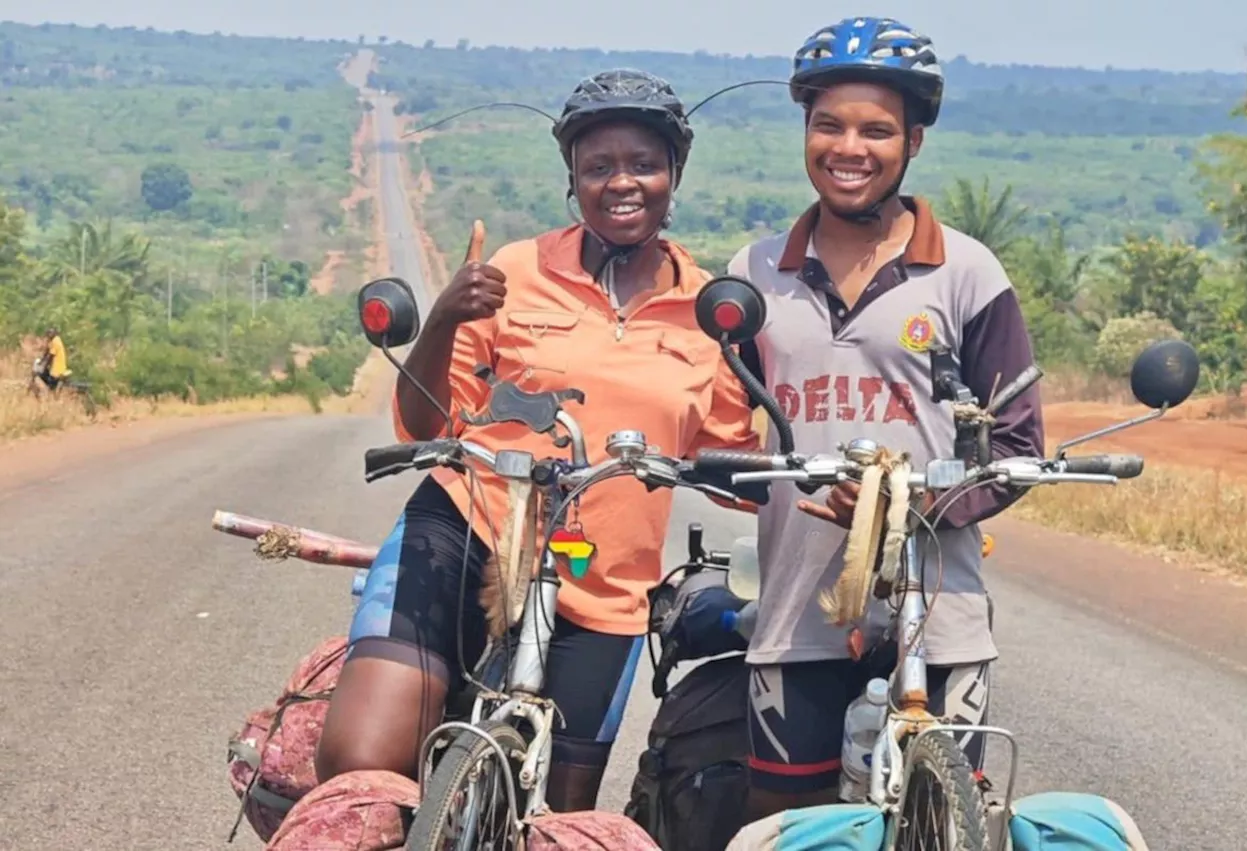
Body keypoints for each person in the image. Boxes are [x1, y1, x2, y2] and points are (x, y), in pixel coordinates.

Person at [315, 68, 761, 813]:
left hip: (605, 580)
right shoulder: (516, 271)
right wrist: (446, 318)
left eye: (643, 164)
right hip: (469, 529)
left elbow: (723, 463)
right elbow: (422, 425)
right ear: (573, 179)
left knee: (556, 815)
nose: (622, 182)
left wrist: (828, 488)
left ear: (673, 172)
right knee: (359, 762)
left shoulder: (707, 308)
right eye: (598, 167)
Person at [726, 16, 1046, 821]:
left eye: (876, 129)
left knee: (941, 820)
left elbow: (1016, 441)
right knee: (785, 825)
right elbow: (726, 426)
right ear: (805, 130)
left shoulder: (968, 271)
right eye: (828, 124)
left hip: (937, 609)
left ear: (914, 143)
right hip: (795, 608)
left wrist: (906, 510)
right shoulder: (754, 271)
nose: (849, 146)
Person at [37, 327, 70, 393]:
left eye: (50, 333)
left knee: (41, 376)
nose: (49, 335)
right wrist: (41, 361)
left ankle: (48, 392)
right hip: (58, 367)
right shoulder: (55, 340)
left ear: (54, 333)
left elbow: (50, 356)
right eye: (48, 334)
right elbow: (47, 352)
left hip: (57, 370)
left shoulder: (55, 341)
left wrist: (44, 365)